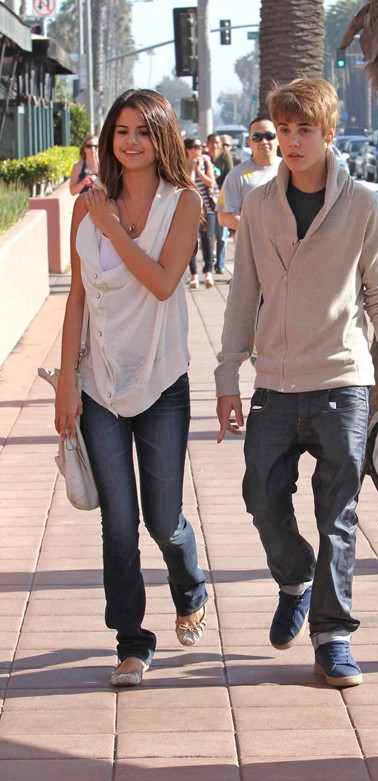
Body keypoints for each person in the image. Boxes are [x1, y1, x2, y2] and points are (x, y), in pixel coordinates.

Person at [215, 77, 378, 688]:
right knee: (262, 498)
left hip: (342, 381)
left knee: (338, 514)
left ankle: (332, 636)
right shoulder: (259, 205)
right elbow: (243, 292)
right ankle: (294, 578)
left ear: (328, 133)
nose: (292, 141)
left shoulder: (361, 204)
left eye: (304, 129)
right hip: (274, 384)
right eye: (283, 130)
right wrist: (227, 375)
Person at [55, 89, 208, 688]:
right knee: (118, 522)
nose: (131, 141)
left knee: (162, 519)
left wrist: (114, 229)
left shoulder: (183, 203)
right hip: (100, 385)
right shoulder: (86, 205)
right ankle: (132, 642)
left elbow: (164, 283)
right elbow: (76, 298)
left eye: (143, 130)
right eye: (121, 131)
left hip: (162, 382)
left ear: (161, 136)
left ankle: (189, 586)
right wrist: (66, 382)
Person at [217, 117, 281, 236]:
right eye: (257, 137)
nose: (264, 141)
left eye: (269, 136)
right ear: (250, 142)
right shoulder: (237, 174)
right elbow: (224, 217)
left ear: (278, 139)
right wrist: (263, 229)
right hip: (252, 247)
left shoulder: (291, 170)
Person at [184, 137, 217, 288]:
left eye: (200, 147)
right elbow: (189, 185)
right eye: (196, 147)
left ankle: (208, 272)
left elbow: (211, 182)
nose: (199, 149)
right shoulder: (183, 164)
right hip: (190, 210)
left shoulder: (206, 160)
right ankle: (194, 274)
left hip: (207, 208)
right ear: (188, 150)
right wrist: (192, 168)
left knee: (207, 239)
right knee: (191, 241)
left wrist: (198, 170)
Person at [206, 132, 233, 274]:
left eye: (217, 143)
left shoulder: (225, 156)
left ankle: (220, 264)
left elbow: (230, 175)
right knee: (208, 234)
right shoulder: (204, 157)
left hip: (222, 198)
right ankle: (209, 263)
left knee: (222, 233)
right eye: (212, 142)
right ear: (207, 144)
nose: (215, 145)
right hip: (207, 199)